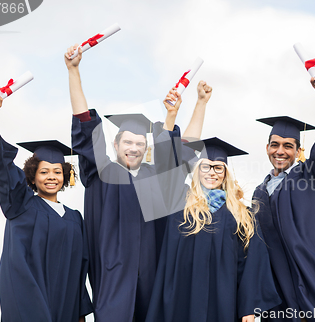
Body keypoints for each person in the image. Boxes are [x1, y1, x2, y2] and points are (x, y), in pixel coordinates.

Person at [65, 44, 211, 321]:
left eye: (140, 144)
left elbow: (184, 153)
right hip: (112, 280)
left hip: (151, 284)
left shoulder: (152, 179)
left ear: (147, 149)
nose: (133, 148)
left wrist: (187, 109)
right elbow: (84, 127)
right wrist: (74, 72)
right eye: (127, 142)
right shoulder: (101, 173)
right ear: (115, 144)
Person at [145, 134, 281, 322]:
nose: (212, 173)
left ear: (225, 173)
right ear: (197, 170)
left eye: (218, 168)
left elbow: (252, 263)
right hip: (182, 298)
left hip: (224, 300)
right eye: (205, 167)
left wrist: (249, 307)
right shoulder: (180, 207)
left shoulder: (241, 214)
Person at [0, 92, 92, 322]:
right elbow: (2, 167)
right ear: (32, 176)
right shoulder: (20, 205)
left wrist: (81, 314)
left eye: (57, 172)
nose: (51, 177)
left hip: (66, 310)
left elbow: (80, 269)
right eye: (43, 172)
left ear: (66, 176)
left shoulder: (75, 218)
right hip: (31, 307)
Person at [252, 72, 315, 321]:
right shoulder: (258, 193)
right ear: (267, 148)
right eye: (275, 144)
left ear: (298, 151)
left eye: (288, 146)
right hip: (277, 291)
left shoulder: (310, 177)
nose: (280, 151)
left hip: (312, 282)